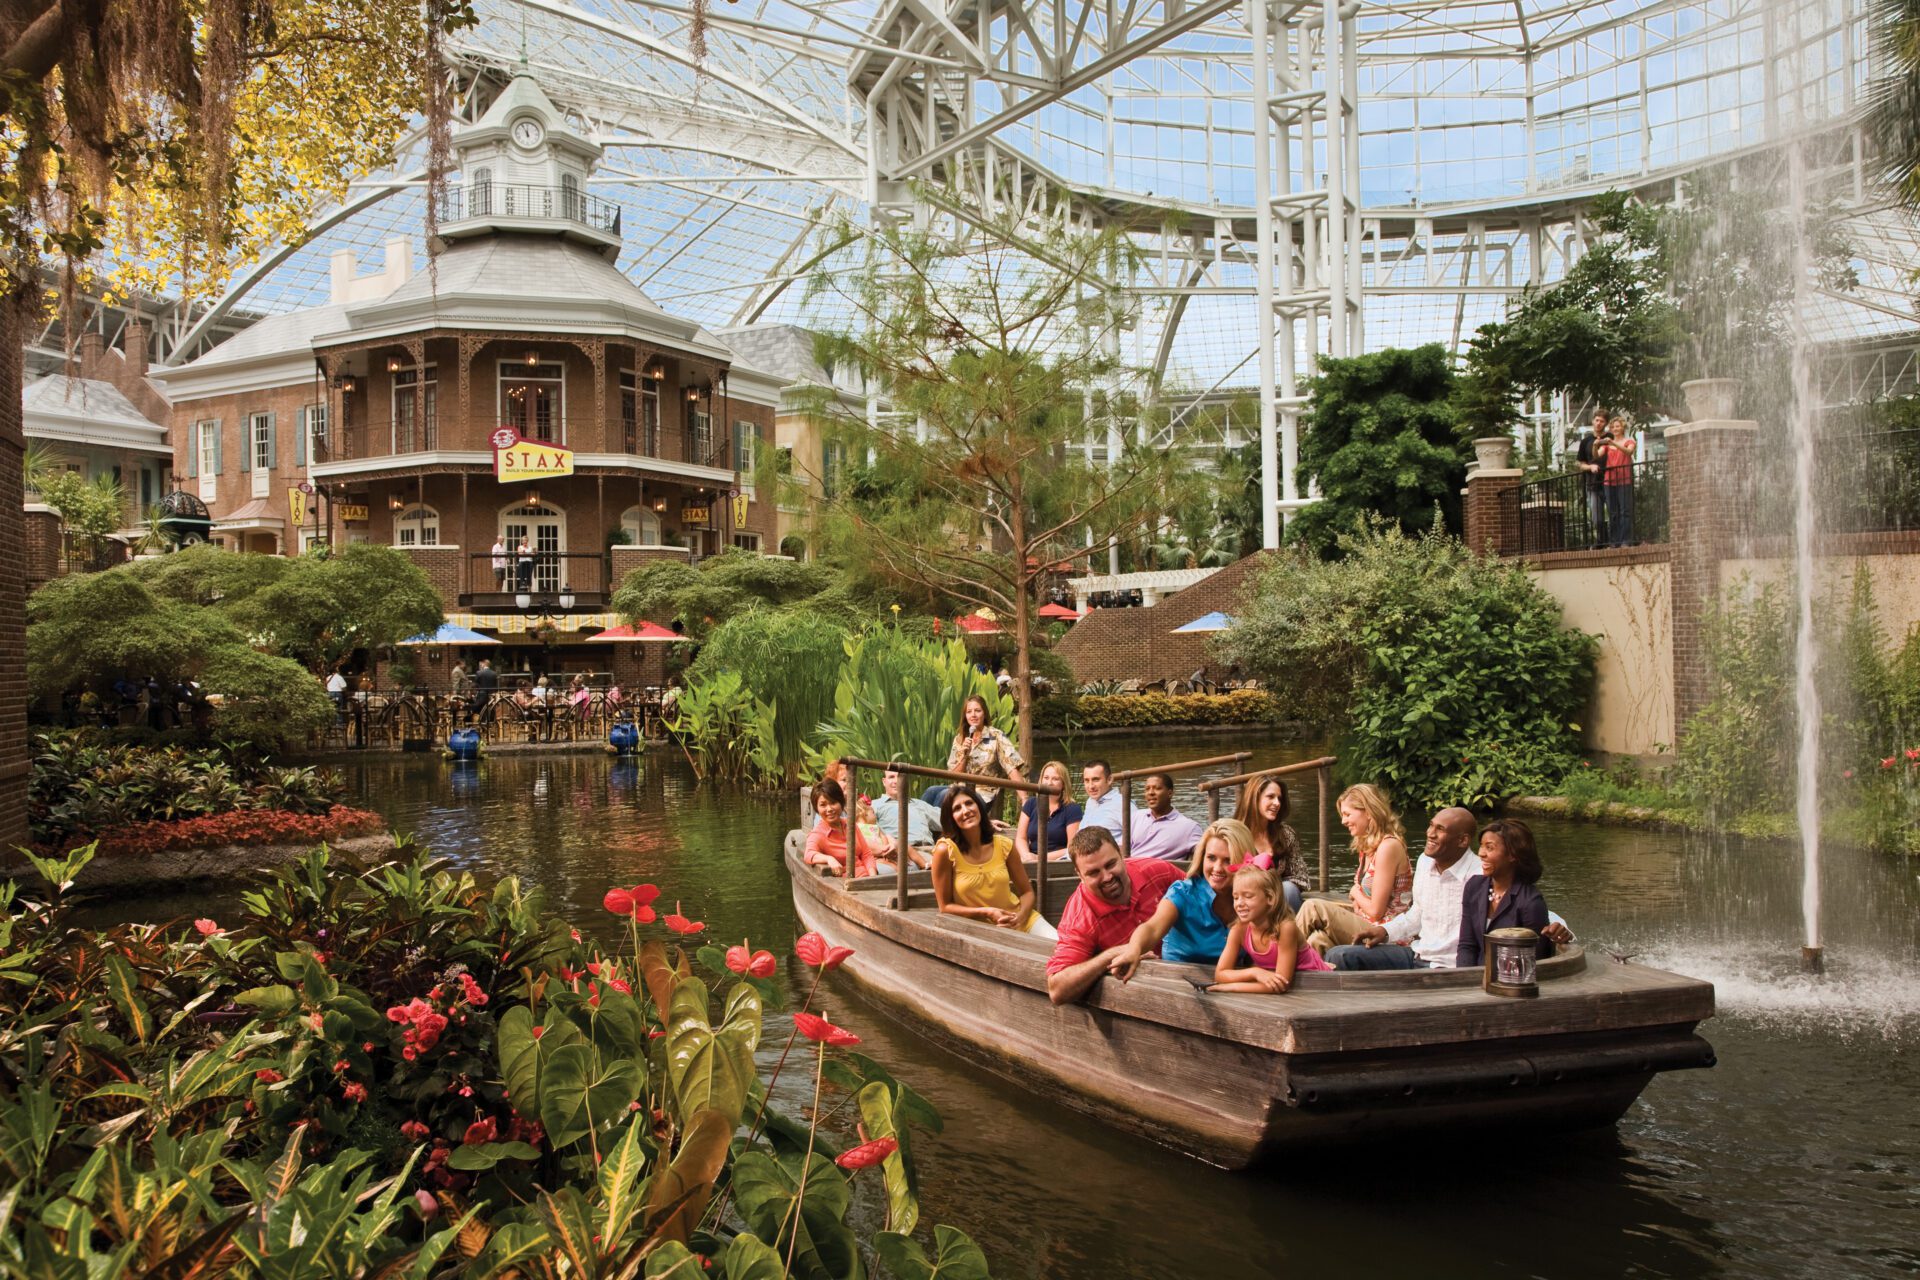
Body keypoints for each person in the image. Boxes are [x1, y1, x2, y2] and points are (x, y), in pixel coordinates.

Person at [1045, 827, 1184, 1005]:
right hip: (1142, 996)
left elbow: (1203, 896)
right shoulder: (1081, 918)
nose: (1107, 877)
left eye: (1110, 864)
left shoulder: (1157, 871)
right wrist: (1113, 954)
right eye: (1094, 873)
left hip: (1186, 969)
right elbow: (1057, 989)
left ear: (1121, 855)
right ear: (1079, 875)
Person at [1108, 818, 1251, 974]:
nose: (1217, 868)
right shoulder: (1183, 893)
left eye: (1228, 860)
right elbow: (1152, 928)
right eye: (1211, 858)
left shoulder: (1254, 897)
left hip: (1233, 982)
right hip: (1178, 980)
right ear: (1202, 857)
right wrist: (1134, 950)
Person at [1294, 783, 1412, 955]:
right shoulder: (1367, 848)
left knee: (1312, 907)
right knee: (1317, 940)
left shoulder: (1388, 847)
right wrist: (1358, 899)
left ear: (1369, 812)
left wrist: (1355, 892)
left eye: (1347, 814)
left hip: (1386, 934)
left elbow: (1376, 911)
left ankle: (1276, 960)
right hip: (1365, 924)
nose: (1343, 821)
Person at [930, 784, 1054, 937]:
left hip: (1021, 921)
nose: (966, 810)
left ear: (979, 807)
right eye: (957, 808)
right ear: (951, 818)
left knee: (1063, 947)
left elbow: (1027, 892)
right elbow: (945, 906)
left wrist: (1020, 917)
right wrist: (986, 912)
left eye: (969, 803)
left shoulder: (1004, 845)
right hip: (982, 932)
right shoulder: (946, 851)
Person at [1210, 865, 1330, 993]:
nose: (1239, 903)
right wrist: (1254, 972)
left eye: (1248, 896)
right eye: (1236, 897)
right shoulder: (1238, 930)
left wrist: (1230, 987)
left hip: (1319, 985)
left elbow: (1282, 983)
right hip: (1285, 990)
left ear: (1270, 898)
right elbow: (1220, 974)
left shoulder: (1286, 928)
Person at [1457, 818, 1556, 969]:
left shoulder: (1530, 902)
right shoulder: (1474, 886)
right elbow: (1467, 945)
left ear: (1512, 855)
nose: (1481, 853)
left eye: (1489, 848)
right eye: (1481, 846)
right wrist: (1465, 978)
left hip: (1510, 980)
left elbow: (1535, 959)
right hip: (1473, 976)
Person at [924, 696, 1025, 813]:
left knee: (945, 795)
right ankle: (916, 823)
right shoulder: (960, 738)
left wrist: (1024, 799)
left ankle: (937, 824)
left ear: (984, 714)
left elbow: (1012, 768)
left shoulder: (996, 736)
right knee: (931, 791)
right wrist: (965, 756)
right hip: (959, 788)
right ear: (965, 716)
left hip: (983, 794)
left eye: (977, 711)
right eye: (969, 712)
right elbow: (953, 776)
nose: (973, 715)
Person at [1232, 773, 1307, 911]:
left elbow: (1300, 877)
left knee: (1289, 889)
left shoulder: (1286, 834)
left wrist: (1273, 891)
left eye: (1279, 798)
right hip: (1244, 901)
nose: (1277, 803)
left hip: (1279, 901)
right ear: (1254, 798)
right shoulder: (1234, 835)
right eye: (1270, 797)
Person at [804, 779, 885, 878]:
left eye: (833, 802)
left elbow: (866, 854)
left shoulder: (850, 824)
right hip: (845, 883)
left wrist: (873, 877)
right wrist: (829, 859)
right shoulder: (818, 833)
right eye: (823, 805)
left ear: (841, 803)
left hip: (867, 877)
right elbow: (808, 854)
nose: (829, 809)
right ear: (817, 808)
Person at [871, 764, 941, 870]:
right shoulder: (875, 805)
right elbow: (866, 831)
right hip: (904, 852)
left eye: (899, 777)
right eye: (891, 777)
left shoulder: (919, 804)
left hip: (932, 849)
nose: (896, 781)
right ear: (884, 782)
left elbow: (947, 820)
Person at [1016, 760, 1083, 862]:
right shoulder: (1030, 804)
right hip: (1030, 860)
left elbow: (1072, 847)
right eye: (1046, 778)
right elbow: (1021, 837)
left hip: (1058, 863)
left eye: (1055, 779)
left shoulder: (1072, 809)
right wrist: (1026, 855)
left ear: (1063, 784)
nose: (1049, 783)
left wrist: (1039, 858)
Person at [1126, 773, 1203, 861]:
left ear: (1170, 793)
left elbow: (1204, 853)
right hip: (1129, 865)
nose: (1150, 792)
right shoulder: (1136, 816)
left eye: (1157, 788)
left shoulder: (1189, 827)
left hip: (1158, 868)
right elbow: (1122, 847)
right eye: (1147, 789)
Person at [1601, 416, 1637, 547]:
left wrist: (1614, 444)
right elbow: (1597, 454)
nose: (1615, 429)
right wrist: (1595, 445)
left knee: (1625, 511)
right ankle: (1614, 541)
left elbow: (1629, 452)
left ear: (1622, 427)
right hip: (1609, 480)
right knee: (1613, 512)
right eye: (1613, 427)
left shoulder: (1629, 441)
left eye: (1618, 426)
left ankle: (1625, 540)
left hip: (1624, 480)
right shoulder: (1607, 445)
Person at [1576, 409, 1610, 547]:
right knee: (1597, 517)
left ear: (1606, 423)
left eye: (1602, 421)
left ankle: (1615, 541)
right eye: (1597, 420)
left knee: (1614, 512)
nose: (1599, 423)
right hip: (1592, 483)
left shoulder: (1610, 438)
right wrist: (1590, 467)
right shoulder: (1586, 441)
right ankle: (1602, 541)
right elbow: (1581, 464)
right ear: (1593, 421)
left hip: (1610, 481)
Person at [1079, 759, 1124, 836]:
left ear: (1109, 780)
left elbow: (1139, 839)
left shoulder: (1122, 804)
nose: (1091, 786)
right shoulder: (1091, 801)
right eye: (1087, 780)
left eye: (1095, 780)